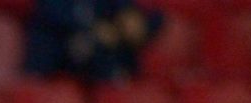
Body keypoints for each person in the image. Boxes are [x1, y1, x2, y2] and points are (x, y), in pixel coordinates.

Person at [24, 0, 163, 82]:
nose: (133, 26)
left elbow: (117, 79)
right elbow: (50, 11)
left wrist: (101, 41)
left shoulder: (125, 56)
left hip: (85, 88)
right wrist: (91, 30)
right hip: (50, 58)